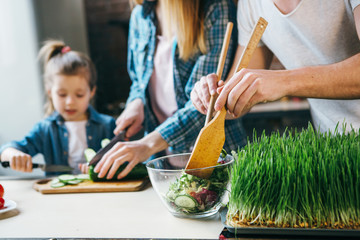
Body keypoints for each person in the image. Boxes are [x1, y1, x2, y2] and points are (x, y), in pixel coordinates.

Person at [94, 0, 246, 180]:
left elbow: (207, 102)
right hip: (161, 162)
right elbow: (138, 81)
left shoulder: (214, 8)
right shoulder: (140, 16)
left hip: (218, 161)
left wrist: (148, 144)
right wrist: (137, 102)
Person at [191, 0, 360, 134]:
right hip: (334, 145)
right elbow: (238, 98)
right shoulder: (250, 4)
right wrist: (212, 98)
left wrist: (285, 81)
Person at [0, 40, 116, 175]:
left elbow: (124, 161)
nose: (70, 102)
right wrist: (12, 154)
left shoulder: (108, 125)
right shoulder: (45, 129)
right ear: (50, 92)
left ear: (92, 92)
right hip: (58, 195)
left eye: (79, 95)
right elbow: (9, 149)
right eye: (62, 94)